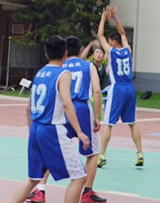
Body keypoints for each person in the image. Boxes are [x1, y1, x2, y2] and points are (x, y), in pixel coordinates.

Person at [25, 36, 106, 203]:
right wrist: (97, 116)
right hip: (81, 109)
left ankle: (40, 189)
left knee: (51, 148)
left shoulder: (59, 67)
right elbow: (97, 91)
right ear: (78, 50)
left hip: (60, 110)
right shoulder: (88, 66)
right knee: (92, 153)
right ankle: (87, 191)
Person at [10, 35, 90, 203]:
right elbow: (67, 103)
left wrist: (31, 131)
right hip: (52, 130)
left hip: (35, 127)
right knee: (79, 177)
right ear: (65, 53)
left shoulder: (39, 73)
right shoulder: (63, 74)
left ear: (46, 54)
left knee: (33, 178)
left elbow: (28, 107)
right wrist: (79, 131)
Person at [96, 6, 143, 168]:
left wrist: (103, 18)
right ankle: (140, 153)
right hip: (130, 88)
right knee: (132, 123)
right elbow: (123, 33)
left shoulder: (112, 52)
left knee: (108, 123)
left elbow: (100, 35)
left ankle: (102, 155)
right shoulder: (128, 50)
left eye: (109, 41)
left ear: (113, 42)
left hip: (117, 89)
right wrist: (116, 17)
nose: (108, 43)